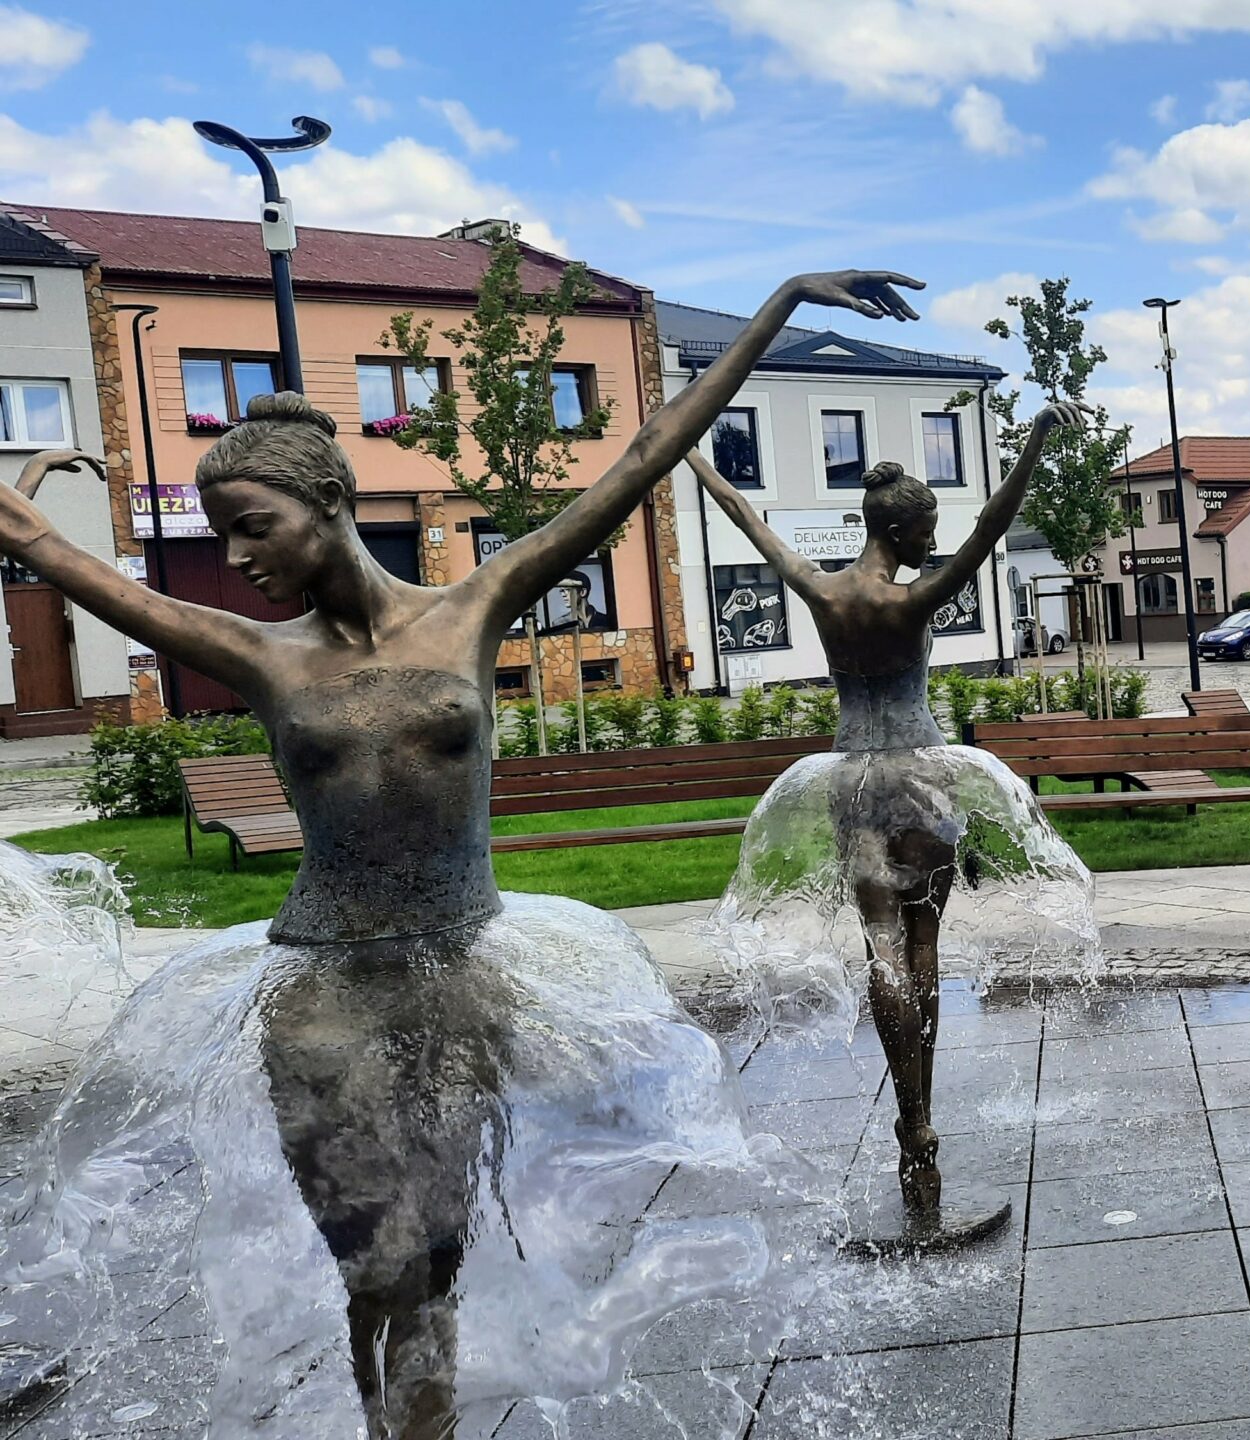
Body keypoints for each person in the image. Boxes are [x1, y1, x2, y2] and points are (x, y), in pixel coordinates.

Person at [0, 265, 922, 1438]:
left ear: (329, 501)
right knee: (373, 1270)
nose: (235, 557)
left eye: (253, 528)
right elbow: (31, 536)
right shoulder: (255, 653)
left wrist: (782, 301)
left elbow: (643, 458)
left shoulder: (472, 606)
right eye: (224, 534)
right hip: (323, 991)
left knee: (434, 1263)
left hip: (460, 978)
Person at [686, 396, 1097, 1247]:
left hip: (850, 780)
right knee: (923, 948)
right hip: (920, 776)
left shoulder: (822, 591)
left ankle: (911, 1126)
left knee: (880, 948)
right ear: (899, 530)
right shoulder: (913, 600)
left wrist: (690, 457)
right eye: (925, 530)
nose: (933, 543)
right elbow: (995, 525)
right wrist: (1035, 442)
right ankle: (923, 1127)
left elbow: (744, 516)